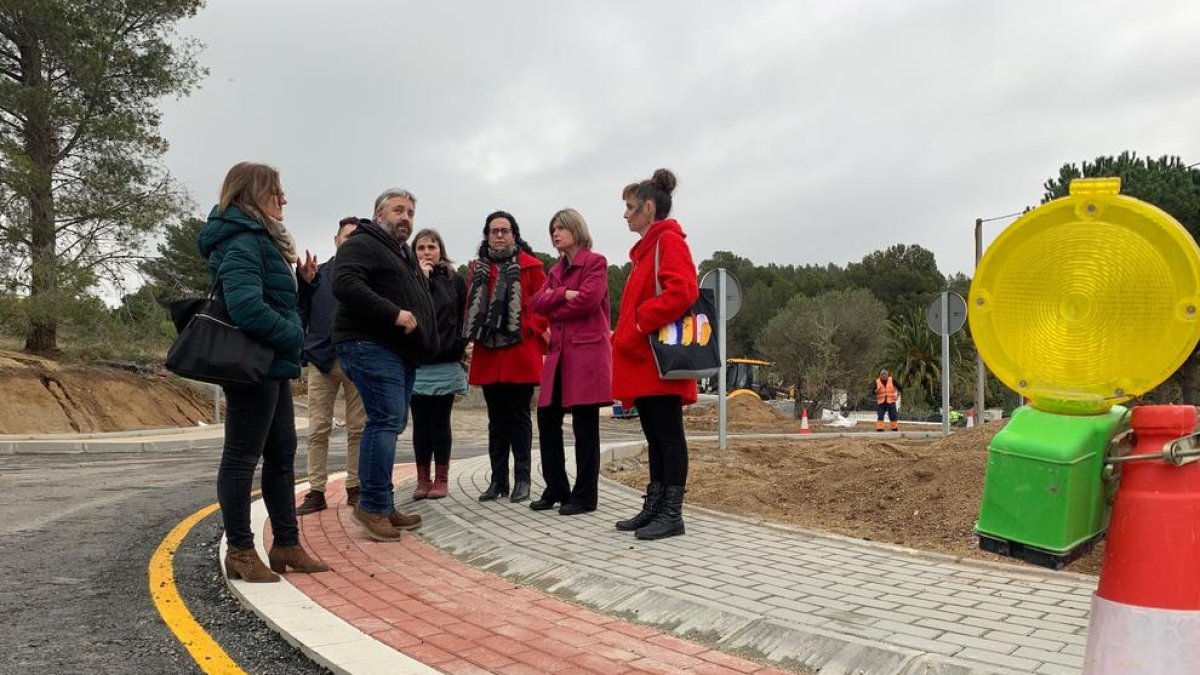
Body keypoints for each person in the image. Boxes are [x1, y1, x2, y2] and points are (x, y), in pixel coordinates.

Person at [196, 161, 329, 581]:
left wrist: (303, 285)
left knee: (281, 456)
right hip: (253, 365)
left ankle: (286, 544)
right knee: (241, 459)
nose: (284, 198)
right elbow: (246, 306)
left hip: (272, 365)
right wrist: (294, 336)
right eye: (276, 191)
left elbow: (274, 301)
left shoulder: (267, 242)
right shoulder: (243, 242)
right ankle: (239, 551)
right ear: (251, 194)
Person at [332, 188, 437, 541]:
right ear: (379, 215)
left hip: (398, 351)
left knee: (391, 421)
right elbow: (344, 283)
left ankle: (383, 504)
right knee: (385, 420)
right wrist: (393, 313)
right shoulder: (363, 242)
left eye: (410, 211)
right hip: (369, 344)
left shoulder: (400, 252)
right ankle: (372, 507)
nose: (405, 217)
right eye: (398, 210)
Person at [611, 169, 697, 540]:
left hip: (658, 360)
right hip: (644, 360)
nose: (626, 214)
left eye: (631, 207)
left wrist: (638, 322)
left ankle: (672, 513)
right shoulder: (647, 248)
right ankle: (655, 505)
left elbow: (683, 292)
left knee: (668, 436)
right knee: (655, 436)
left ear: (649, 207)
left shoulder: (668, 242)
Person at [530, 209, 612, 515]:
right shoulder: (555, 270)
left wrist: (555, 305)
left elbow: (589, 301)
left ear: (576, 229)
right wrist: (564, 293)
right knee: (547, 419)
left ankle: (585, 496)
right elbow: (537, 303)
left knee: (585, 425)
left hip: (586, 354)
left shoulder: (596, 262)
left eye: (561, 227)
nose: (555, 233)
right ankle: (556, 488)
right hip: (559, 356)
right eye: (553, 228)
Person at [463, 211, 548, 503]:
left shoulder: (531, 267)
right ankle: (498, 480)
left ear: (514, 234)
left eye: (505, 230)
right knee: (495, 421)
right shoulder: (477, 269)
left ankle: (522, 479)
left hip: (519, 351)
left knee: (520, 418)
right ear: (487, 235)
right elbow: (469, 306)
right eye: (494, 231)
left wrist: (528, 328)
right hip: (488, 352)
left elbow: (544, 306)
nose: (499, 235)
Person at [296, 217, 367, 515]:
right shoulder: (316, 275)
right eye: (346, 236)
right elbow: (299, 313)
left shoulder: (369, 277)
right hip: (321, 359)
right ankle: (316, 491)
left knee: (358, 429)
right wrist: (303, 284)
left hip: (358, 360)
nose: (350, 241)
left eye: (356, 237)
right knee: (318, 429)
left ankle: (355, 487)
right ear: (335, 240)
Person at [409, 228, 468, 500]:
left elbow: (463, 315)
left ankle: (441, 479)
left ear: (440, 250)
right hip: (417, 362)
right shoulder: (407, 278)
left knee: (440, 422)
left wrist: (459, 345)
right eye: (420, 248)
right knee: (420, 423)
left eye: (431, 247)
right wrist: (421, 279)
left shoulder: (454, 280)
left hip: (445, 361)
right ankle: (423, 479)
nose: (426, 253)